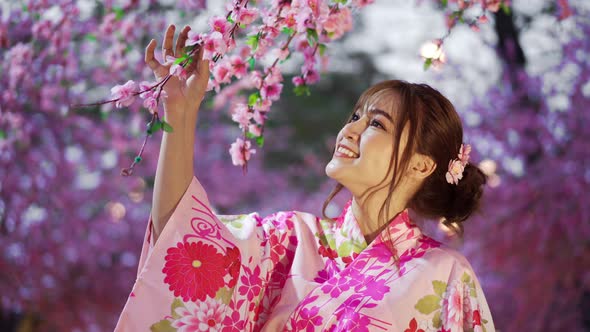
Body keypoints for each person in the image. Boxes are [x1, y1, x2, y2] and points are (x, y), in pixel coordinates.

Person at [114, 25, 496, 332]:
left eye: (376, 123)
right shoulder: (290, 240)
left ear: (421, 164)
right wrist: (178, 112)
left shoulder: (445, 275)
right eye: (354, 117)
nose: (349, 130)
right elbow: (183, 245)